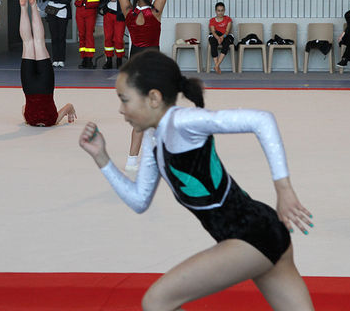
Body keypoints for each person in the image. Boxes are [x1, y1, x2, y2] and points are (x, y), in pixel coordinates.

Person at [78, 51, 314, 311]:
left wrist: (284, 189)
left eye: (125, 99)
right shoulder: (153, 138)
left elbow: (262, 120)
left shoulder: (183, 122)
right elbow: (139, 200)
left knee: (157, 301)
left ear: (154, 98)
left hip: (252, 235)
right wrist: (102, 158)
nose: (121, 109)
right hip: (258, 233)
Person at [90, 0, 179, 171]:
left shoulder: (128, 12)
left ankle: (132, 160)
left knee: (141, 115)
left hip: (134, 65)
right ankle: (165, 156)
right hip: (154, 65)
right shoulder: (156, 12)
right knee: (161, 110)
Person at [18, 0, 77, 127]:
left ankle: (31, 6)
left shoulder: (52, 120)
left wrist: (71, 111)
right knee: (28, 42)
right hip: (29, 87)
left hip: (46, 85)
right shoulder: (29, 119)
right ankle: (25, 7)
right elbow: (23, 108)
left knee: (38, 42)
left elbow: (68, 106)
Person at [99, 0, 131, 69]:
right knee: (108, 38)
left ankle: (119, 60)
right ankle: (108, 60)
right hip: (108, 14)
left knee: (118, 39)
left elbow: (129, 0)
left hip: (120, 15)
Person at [74, 0, 103, 69]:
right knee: (81, 34)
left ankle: (89, 59)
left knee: (89, 34)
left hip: (90, 10)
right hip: (80, 10)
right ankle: (84, 58)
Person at [208, 2, 234, 73]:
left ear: (224, 10)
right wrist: (218, 38)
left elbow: (227, 31)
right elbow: (213, 31)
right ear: (216, 11)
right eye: (218, 11)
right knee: (212, 42)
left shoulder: (228, 19)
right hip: (216, 35)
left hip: (225, 35)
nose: (220, 12)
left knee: (226, 43)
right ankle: (217, 67)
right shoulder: (212, 20)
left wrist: (222, 37)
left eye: (222, 10)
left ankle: (217, 65)